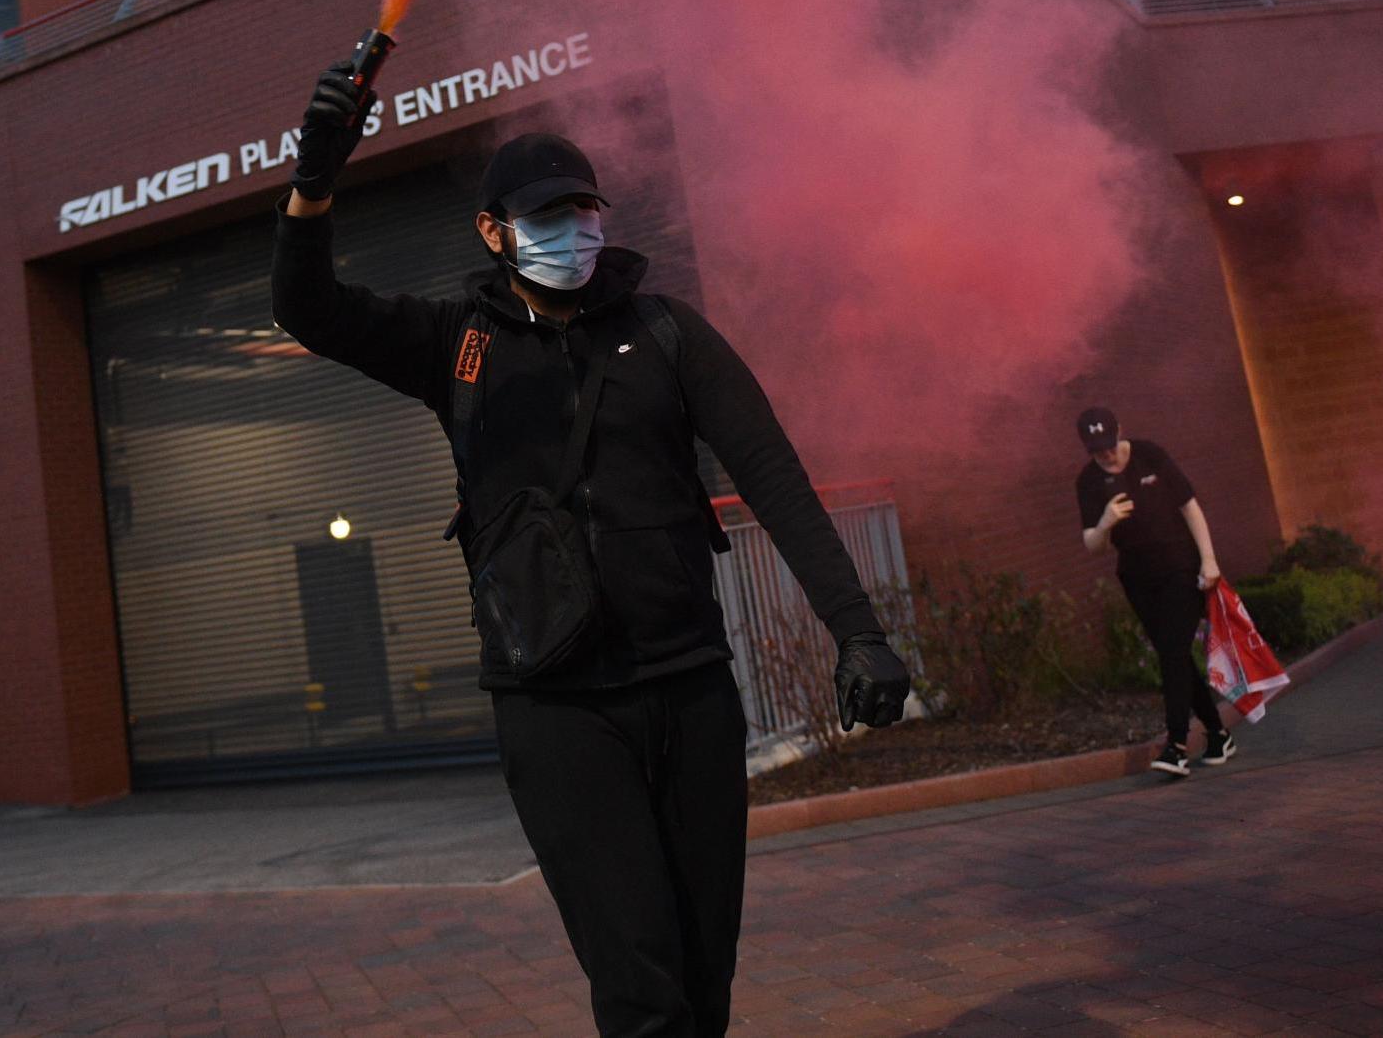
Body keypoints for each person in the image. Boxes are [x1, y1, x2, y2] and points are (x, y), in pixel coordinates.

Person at [272, 60, 911, 1038]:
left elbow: (773, 476)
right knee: (640, 986)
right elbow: (305, 308)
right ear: (492, 230)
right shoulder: (457, 344)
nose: (569, 228)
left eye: (582, 207)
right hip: (557, 709)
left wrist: (856, 630)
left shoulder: (665, 332)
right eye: (543, 212)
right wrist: (314, 181)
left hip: (691, 690)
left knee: (703, 978)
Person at [1073, 406, 1234, 777]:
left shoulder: (1150, 455)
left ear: (1120, 433)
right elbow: (1092, 544)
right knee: (1172, 653)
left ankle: (1176, 745)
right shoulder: (1088, 482)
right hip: (1138, 578)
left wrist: (1209, 560)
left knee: (1172, 653)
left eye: (1111, 446)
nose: (1108, 456)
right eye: (1098, 451)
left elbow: (1190, 507)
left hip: (1181, 568)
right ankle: (1218, 734)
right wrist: (1105, 523)